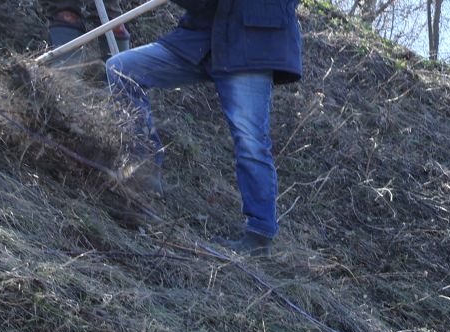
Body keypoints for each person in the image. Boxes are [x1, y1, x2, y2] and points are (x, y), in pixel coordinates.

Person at [105, 0, 302, 254]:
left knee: (250, 140)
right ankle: (142, 170)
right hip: (201, 38)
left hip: (251, 44)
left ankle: (259, 233)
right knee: (123, 68)